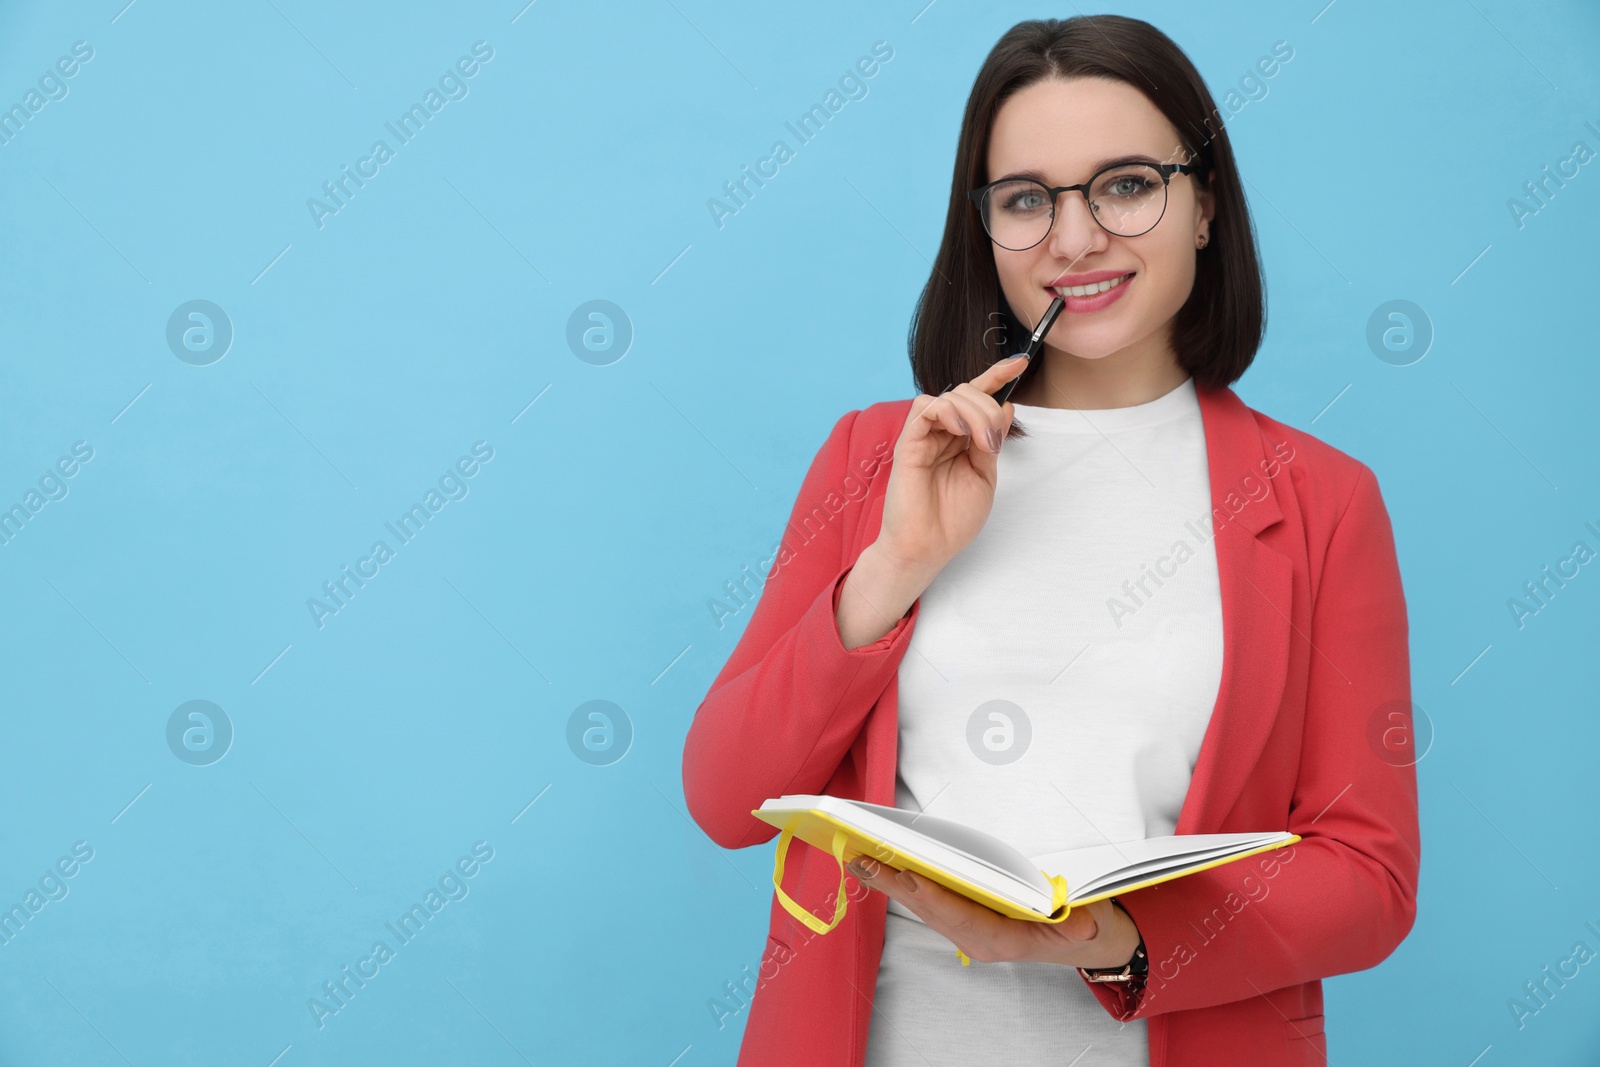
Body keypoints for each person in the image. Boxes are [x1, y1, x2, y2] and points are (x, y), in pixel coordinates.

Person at [682, 15, 1419, 1067]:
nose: (1072, 239)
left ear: (1204, 205)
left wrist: (1113, 940)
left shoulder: (1320, 500)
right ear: (984, 230)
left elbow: (1370, 877)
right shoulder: (874, 458)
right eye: (1026, 200)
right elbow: (726, 798)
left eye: (1124, 184)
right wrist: (894, 564)